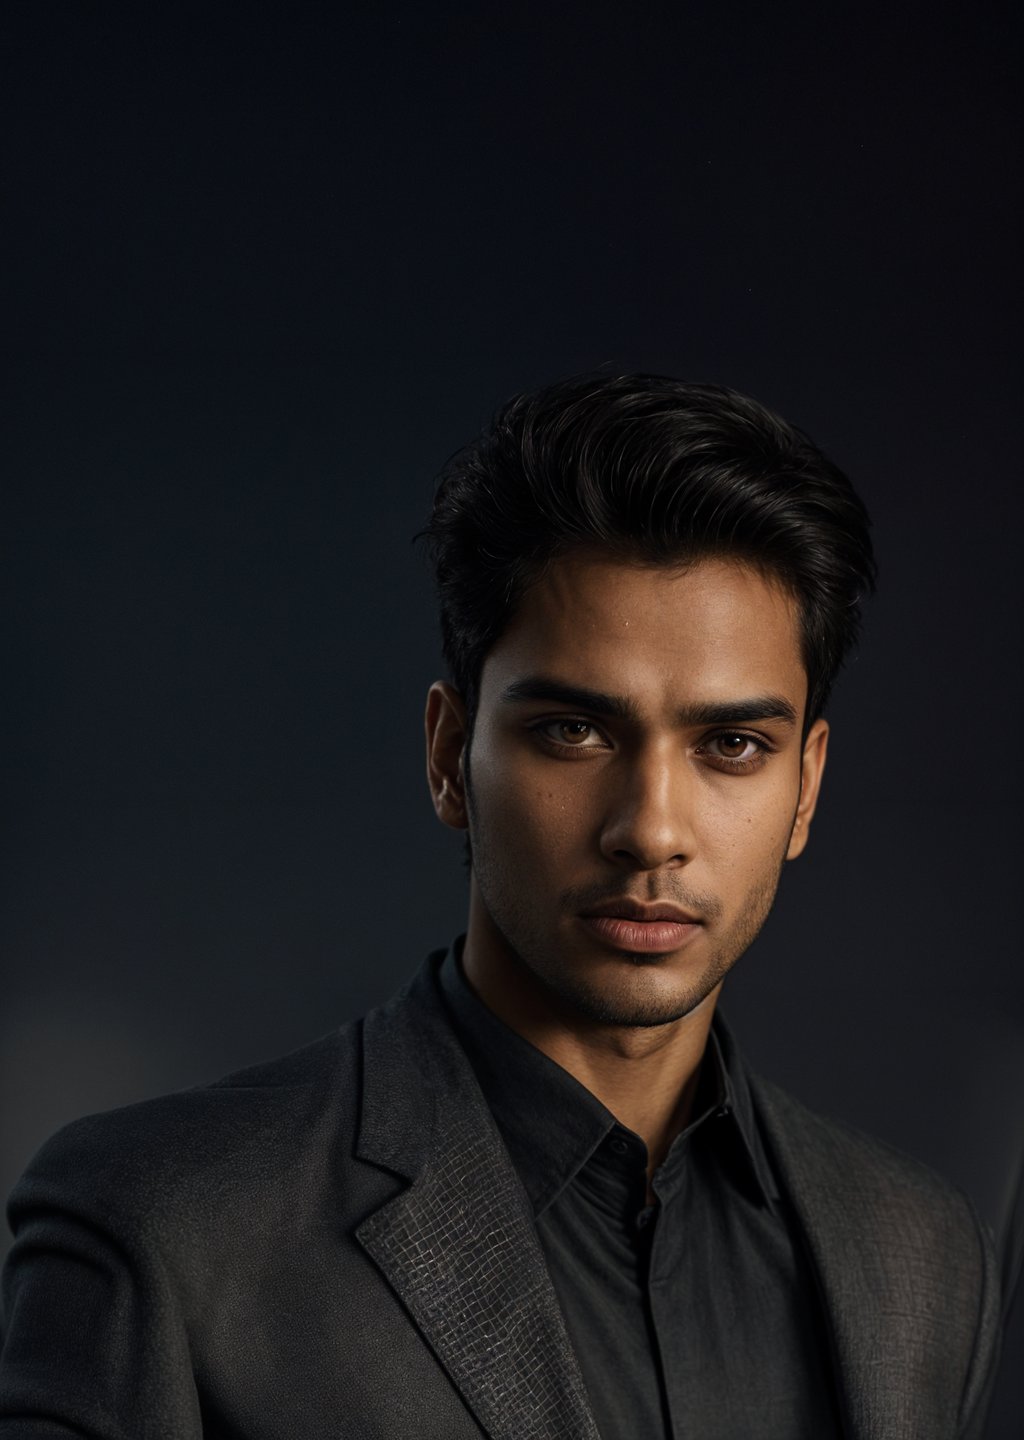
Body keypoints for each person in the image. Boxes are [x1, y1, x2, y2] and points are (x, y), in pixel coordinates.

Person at [0, 373, 1001, 1438]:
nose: (650, 828)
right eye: (575, 731)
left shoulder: (919, 1255)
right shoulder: (169, 1231)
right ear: (447, 756)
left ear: (804, 789)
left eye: (731, 746)